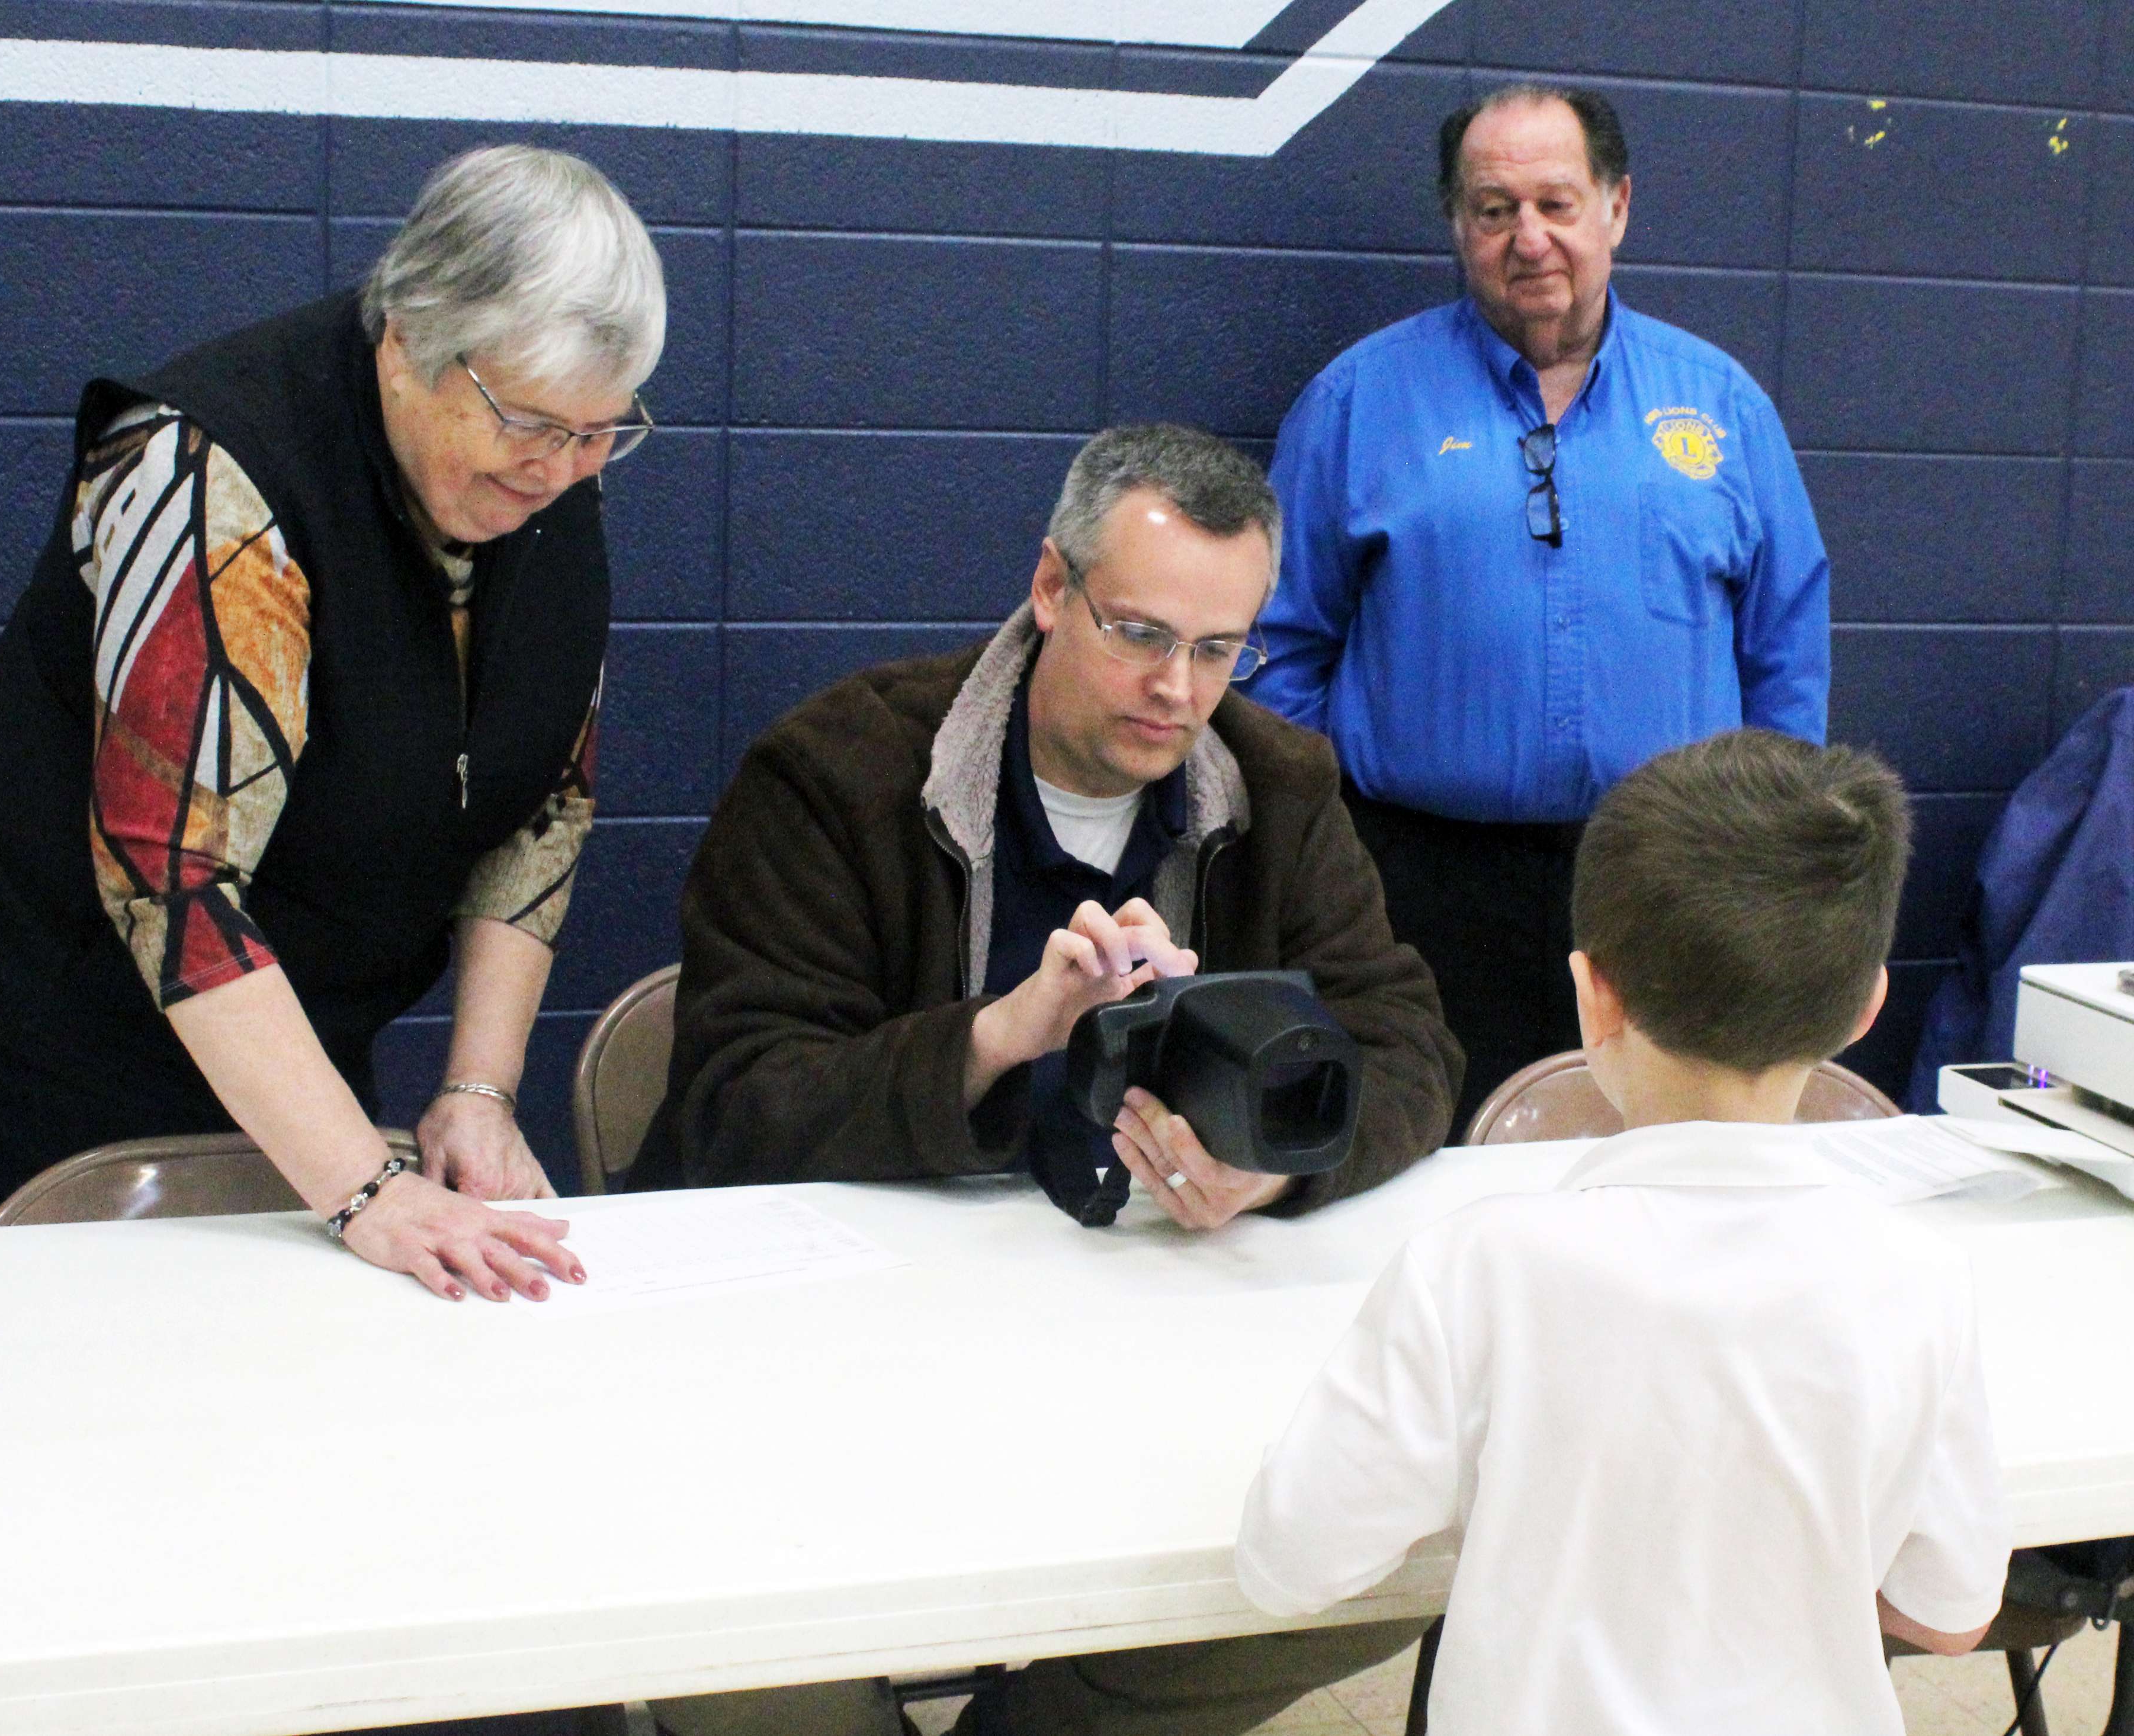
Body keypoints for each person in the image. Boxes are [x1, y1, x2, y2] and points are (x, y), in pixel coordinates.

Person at [631, 424, 1464, 1736]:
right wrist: (998, 1036)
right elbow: (735, 1101)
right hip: (833, 1369)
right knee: (729, 1650)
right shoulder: (837, 774)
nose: (1177, 688)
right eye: (1138, 632)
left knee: (1392, 1558)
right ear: (1048, 589)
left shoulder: (1278, 787)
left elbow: (1409, 1040)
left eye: (1216, 647)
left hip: (1139, 1350)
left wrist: (1278, 1163)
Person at [0, 146, 665, 1301]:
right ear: (405, 342)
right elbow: (169, 879)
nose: (562, 470)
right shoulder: (209, 474)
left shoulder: (547, 468)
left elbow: (541, 801)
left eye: (601, 433)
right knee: (98, 1345)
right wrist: (363, 1187)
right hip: (57, 1007)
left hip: (283, 989)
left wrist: (479, 1091)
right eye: (531, 425)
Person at [1234, 729, 2010, 1735]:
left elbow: (1286, 1566)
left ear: (1591, 992)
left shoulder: (1478, 1266)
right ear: (1864, 1009)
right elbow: (1948, 1617)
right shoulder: (1921, 1279)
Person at [1249, 83, 1831, 1138]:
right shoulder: (1357, 402)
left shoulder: (1721, 405)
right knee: (1413, 1156)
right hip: (1414, 887)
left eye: (1557, 204)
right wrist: (1320, 838)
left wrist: (1773, 848)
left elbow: (1783, 644)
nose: (1529, 239)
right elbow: (1279, 642)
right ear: (1456, 226)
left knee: (1651, 1169)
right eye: (1493, 209)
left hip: (1668, 878)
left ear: (1615, 208)